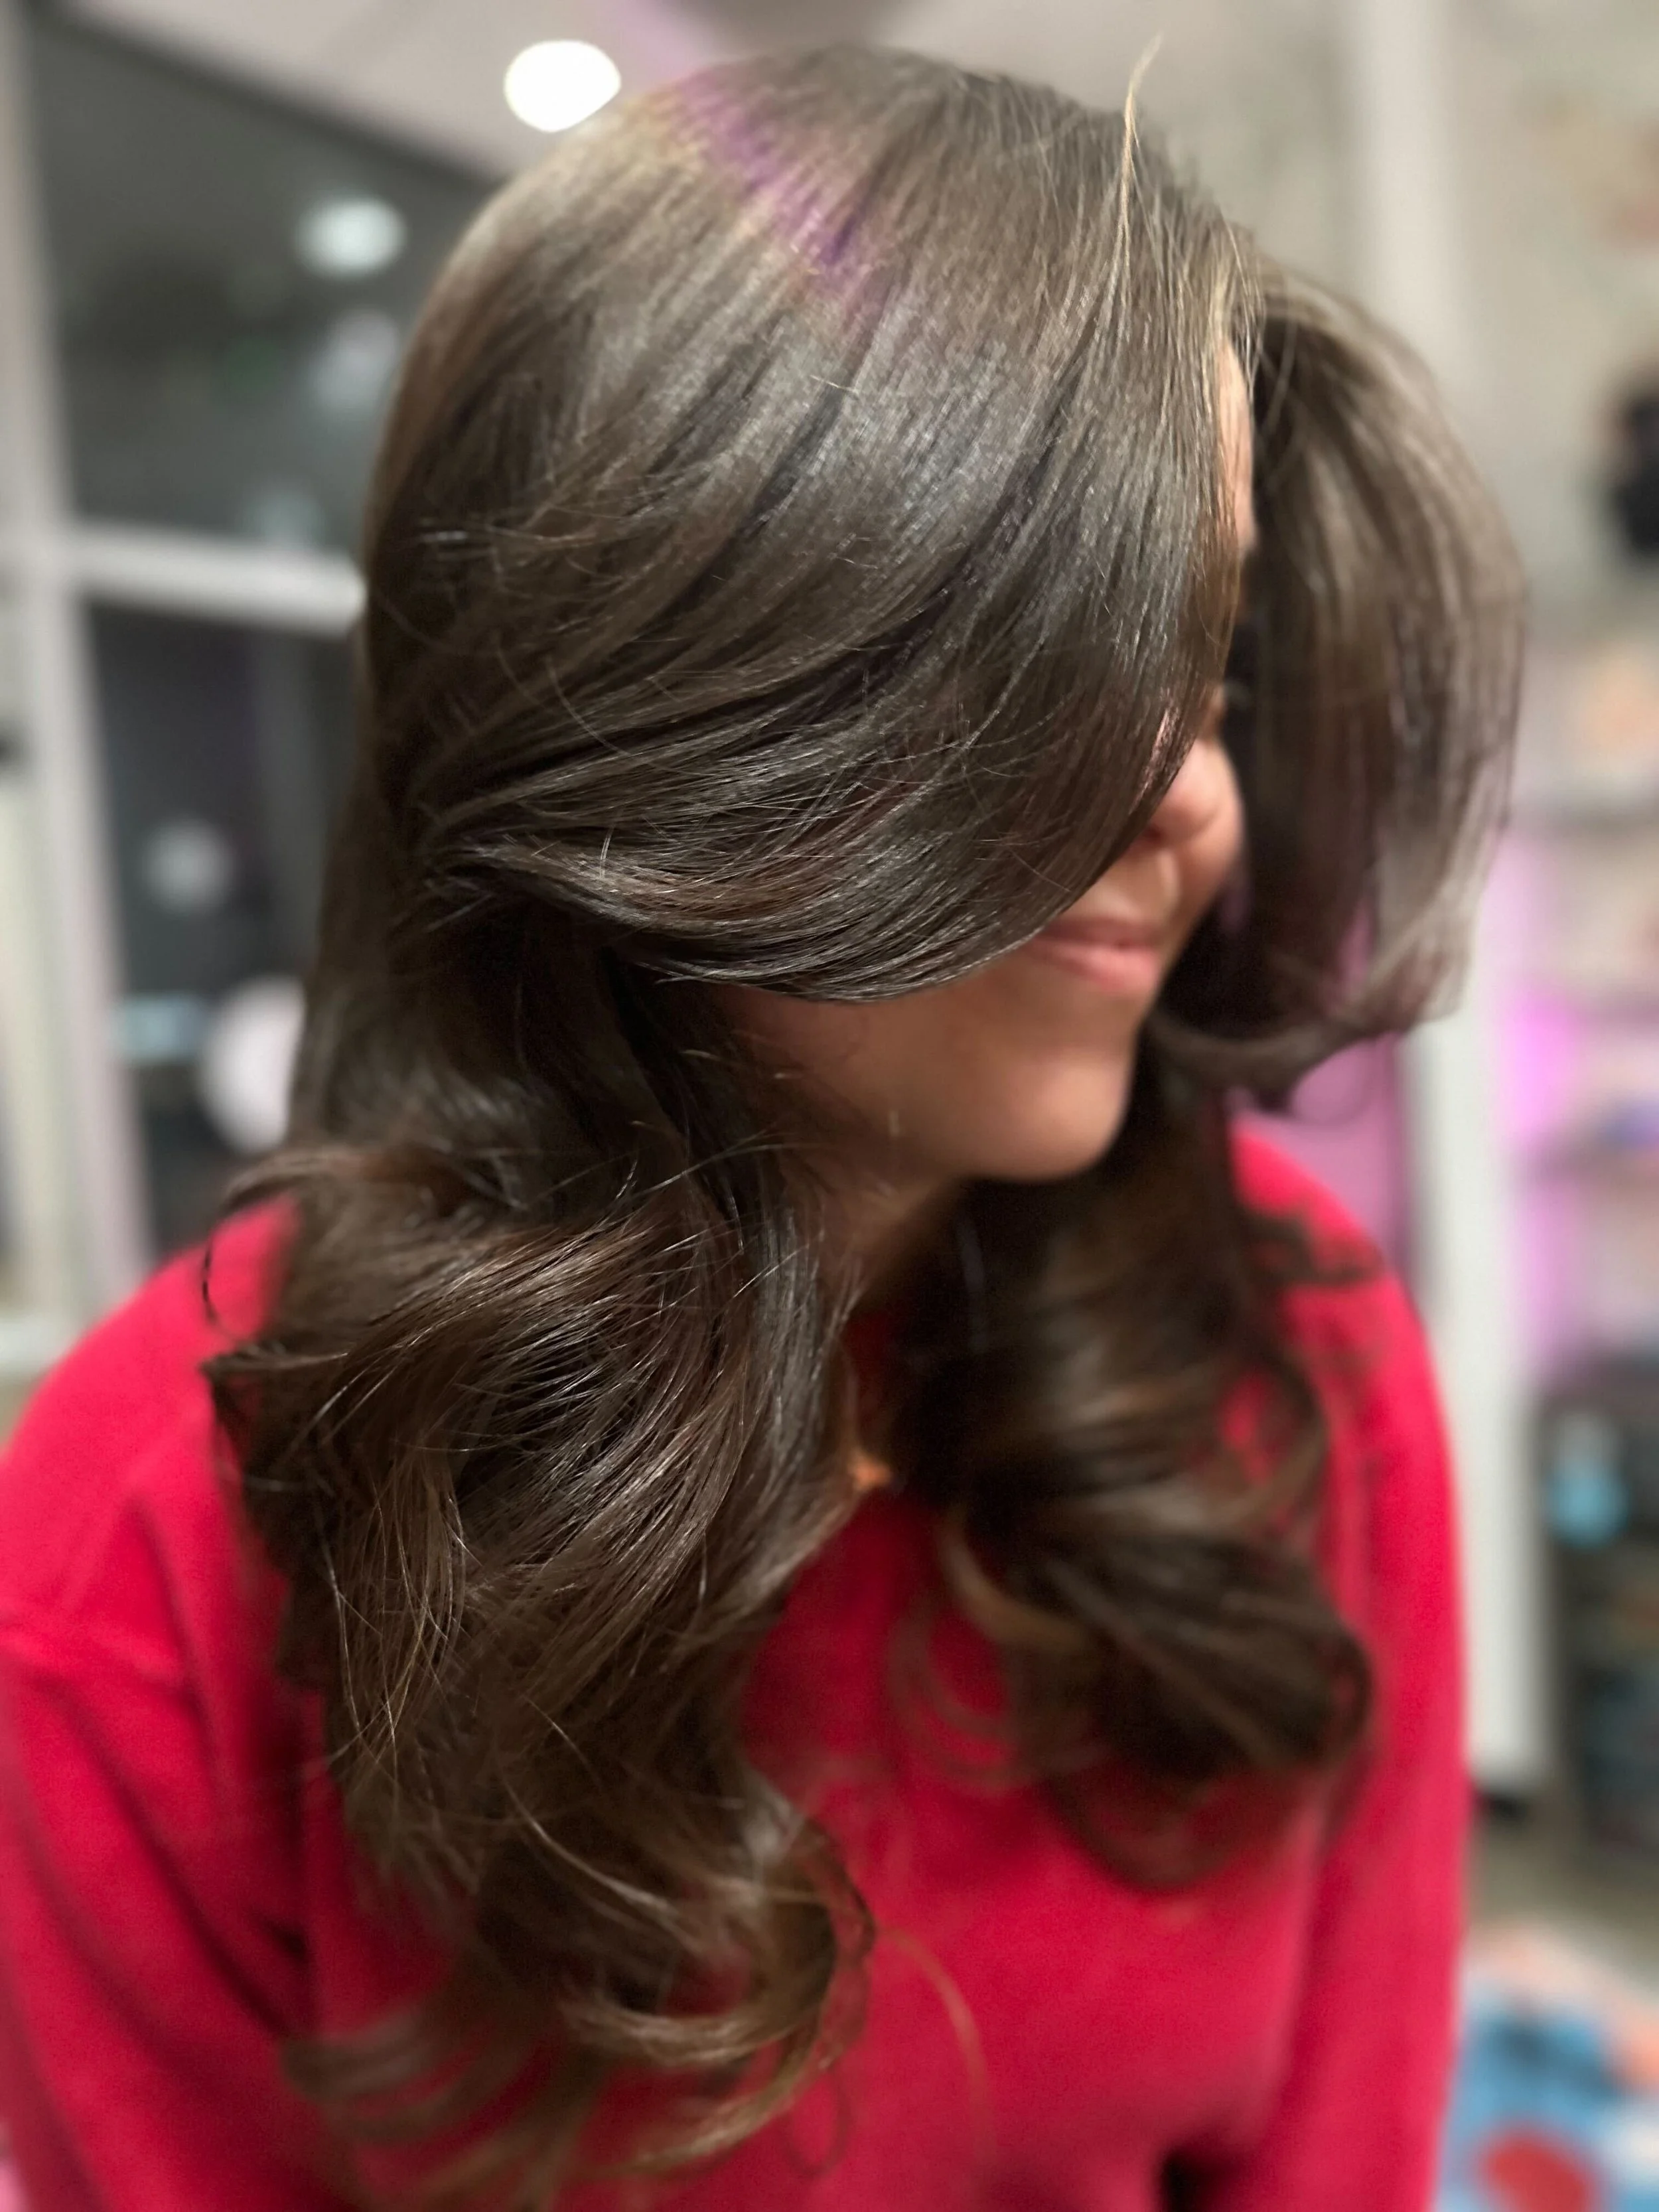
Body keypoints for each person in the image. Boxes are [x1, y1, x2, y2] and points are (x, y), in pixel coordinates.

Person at [0, 45, 1522, 2212]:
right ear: (661, 695)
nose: (1186, 795)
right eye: (1041, 662)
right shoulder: (154, 1533)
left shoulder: (1290, 1347)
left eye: (1200, 671)